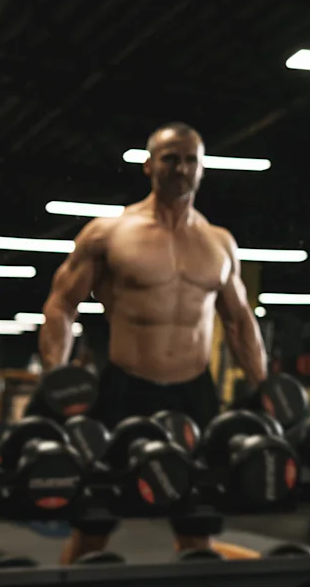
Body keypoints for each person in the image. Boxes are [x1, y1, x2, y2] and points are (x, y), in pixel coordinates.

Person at [39, 122, 268, 563]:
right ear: (148, 165)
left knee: (197, 527)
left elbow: (239, 323)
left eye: (190, 160)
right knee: (93, 526)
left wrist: (266, 390)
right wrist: (56, 378)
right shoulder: (109, 233)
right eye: (170, 158)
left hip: (194, 394)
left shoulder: (219, 243)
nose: (181, 168)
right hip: (125, 389)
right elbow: (60, 306)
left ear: (202, 169)